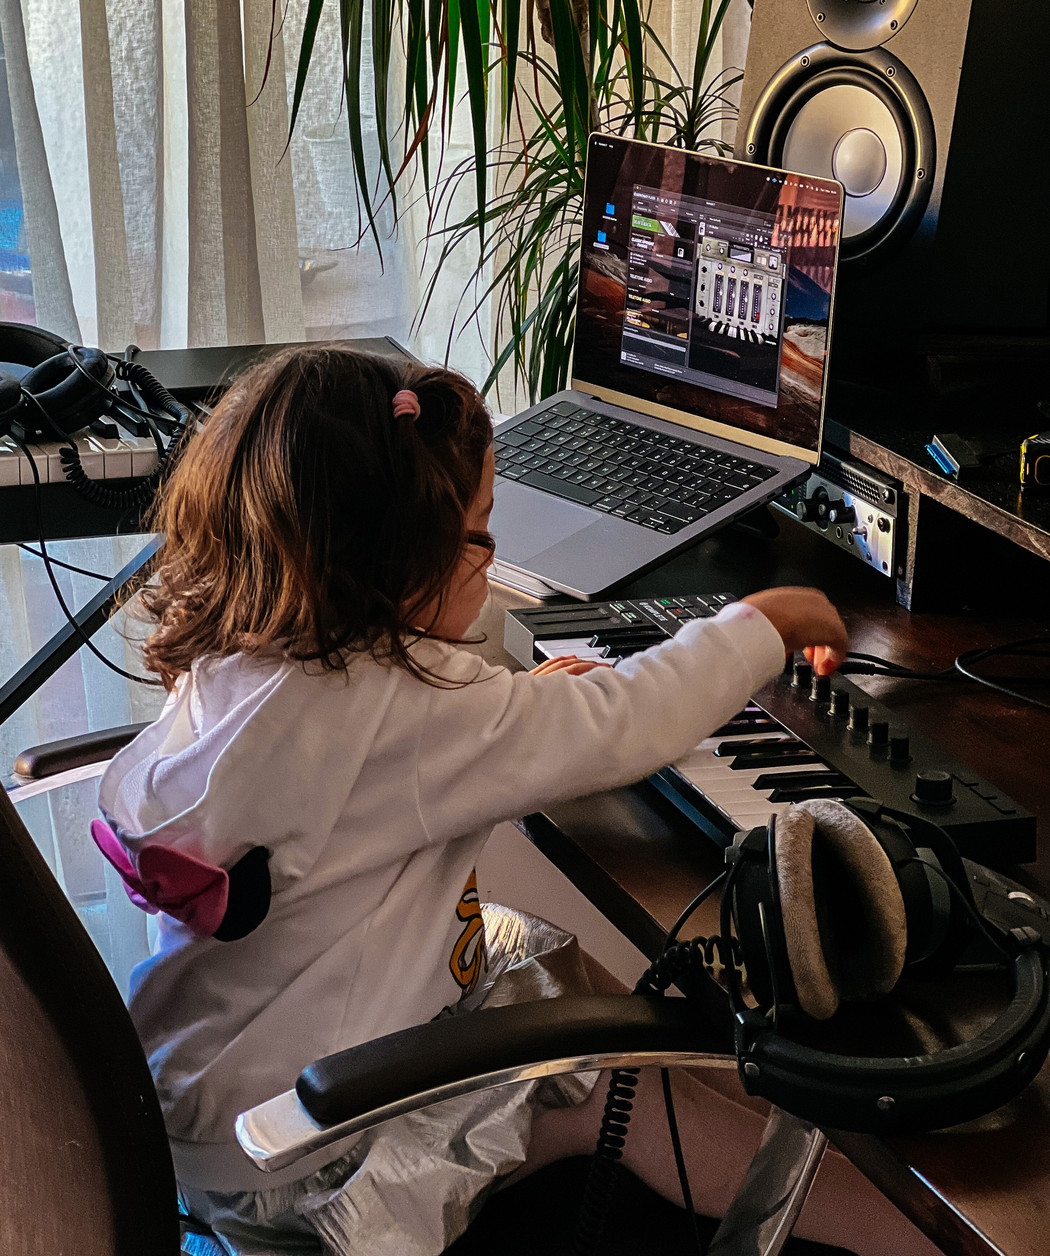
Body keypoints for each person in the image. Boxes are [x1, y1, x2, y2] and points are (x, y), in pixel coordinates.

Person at [96, 346, 934, 1256]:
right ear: (397, 559)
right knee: (605, 1084)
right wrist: (759, 623)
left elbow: (388, 743)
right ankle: (906, 1237)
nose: (492, 567)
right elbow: (628, 721)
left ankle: (772, 1110)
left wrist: (517, 703)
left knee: (543, 959)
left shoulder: (244, 662)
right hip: (322, 1162)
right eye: (481, 534)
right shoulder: (419, 716)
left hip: (203, 1110)